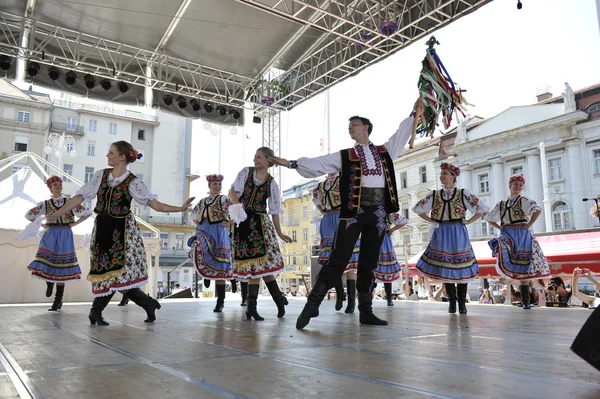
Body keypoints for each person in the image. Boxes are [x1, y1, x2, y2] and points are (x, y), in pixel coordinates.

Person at [270, 96, 425, 329]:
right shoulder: (346, 156)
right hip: (354, 212)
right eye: (349, 126)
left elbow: (402, 133)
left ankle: (366, 311)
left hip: (379, 213)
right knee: (339, 257)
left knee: (368, 262)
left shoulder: (385, 152)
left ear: (366, 128)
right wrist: (290, 163)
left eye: (354, 124)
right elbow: (319, 164)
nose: (350, 128)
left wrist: (414, 114)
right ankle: (312, 304)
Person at [46, 141, 193, 325]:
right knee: (107, 272)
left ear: (122, 156)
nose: (107, 155)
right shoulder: (100, 175)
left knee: (118, 274)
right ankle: (146, 304)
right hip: (102, 227)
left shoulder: (133, 182)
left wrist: (180, 208)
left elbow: (156, 205)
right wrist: (57, 214)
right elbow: (79, 197)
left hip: (123, 232)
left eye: (111, 152)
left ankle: (97, 311)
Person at [412, 162, 488, 315]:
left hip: (458, 230)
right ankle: (452, 302)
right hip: (442, 230)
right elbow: (418, 209)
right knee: (445, 266)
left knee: (460, 267)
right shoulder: (434, 194)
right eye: (441, 174)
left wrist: (468, 221)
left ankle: (462, 302)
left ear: (453, 176)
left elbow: (481, 208)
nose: (442, 176)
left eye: (445, 173)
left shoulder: (463, 193)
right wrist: (432, 221)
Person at [228, 147, 292, 321]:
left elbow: (275, 210)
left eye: (259, 157)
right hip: (243, 223)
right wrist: (237, 207)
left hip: (261, 226)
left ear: (268, 160)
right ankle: (271, 302)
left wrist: (279, 232)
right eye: (255, 156)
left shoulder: (271, 183)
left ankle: (257, 305)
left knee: (260, 268)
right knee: (253, 268)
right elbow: (233, 191)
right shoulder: (246, 172)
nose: (255, 159)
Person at [485, 174, 551, 310]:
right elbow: (489, 217)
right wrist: (500, 227)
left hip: (521, 233)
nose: (518, 187)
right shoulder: (502, 203)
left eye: (520, 185)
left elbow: (537, 209)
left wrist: (529, 224)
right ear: (510, 186)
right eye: (515, 184)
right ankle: (523, 299)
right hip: (507, 233)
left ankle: (526, 301)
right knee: (506, 255)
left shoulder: (523, 200)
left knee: (523, 265)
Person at [24, 176, 90, 311]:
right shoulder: (46, 204)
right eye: (55, 185)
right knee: (48, 261)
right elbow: (29, 215)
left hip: (65, 233)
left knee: (62, 266)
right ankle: (49, 283)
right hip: (51, 233)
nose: (58, 187)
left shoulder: (70, 202)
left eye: (59, 185)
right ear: (50, 188)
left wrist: (74, 223)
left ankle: (58, 300)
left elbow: (86, 213)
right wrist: (43, 224)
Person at [313, 172, 360, 313]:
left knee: (349, 258)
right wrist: (325, 212)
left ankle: (352, 301)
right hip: (328, 219)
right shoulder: (320, 186)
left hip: (343, 217)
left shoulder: (345, 179)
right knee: (331, 259)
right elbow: (317, 202)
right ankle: (340, 293)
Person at [188, 174, 235, 312]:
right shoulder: (203, 201)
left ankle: (220, 301)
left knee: (220, 265)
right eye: (215, 184)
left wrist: (229, 222)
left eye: (219, 184)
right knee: (198, 248)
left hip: (218, 232)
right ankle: (206, 274)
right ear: (209, 186)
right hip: (204, 229)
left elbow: (235, 213)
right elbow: (194, 215)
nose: (217, 186)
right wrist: (200, 224)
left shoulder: (224, 199)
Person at [372, 212, 407, 306]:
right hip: (372, 239)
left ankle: (388, 298)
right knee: (371, 268)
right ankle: (369, 297)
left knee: (386, 268)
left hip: (383, 240)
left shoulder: (387, 212)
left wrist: (391, 230)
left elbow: (403, 221)